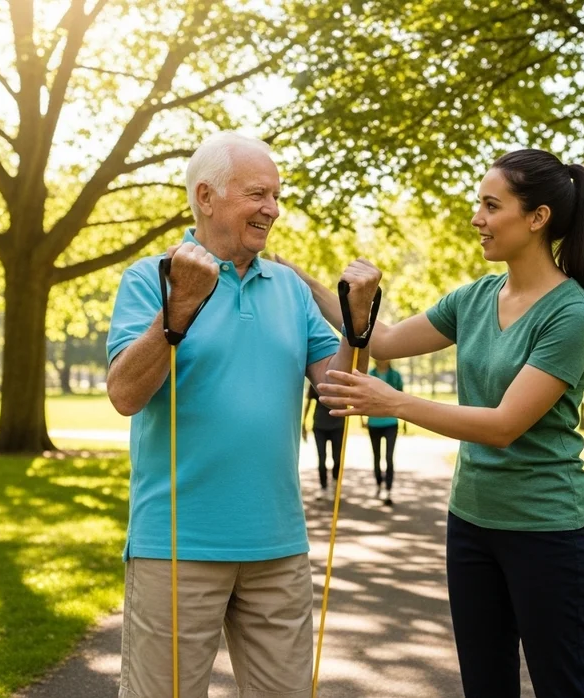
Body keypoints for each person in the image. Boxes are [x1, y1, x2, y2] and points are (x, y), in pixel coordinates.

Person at [281, 148, 584, 697]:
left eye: (490, 204)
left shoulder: (572, 313)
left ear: (537, 218)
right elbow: (380, 340)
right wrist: (297, 276)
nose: (476, 217)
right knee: (484, 685)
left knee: (562, 687)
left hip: (546, 532)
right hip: (471, 524)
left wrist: (395, 404)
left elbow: (504, 425)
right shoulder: (474, 298)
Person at [104, 132, 377, 698]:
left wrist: (357, 320)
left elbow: (341, 393)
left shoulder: (291, 290)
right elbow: (125, 394)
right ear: (206, 196)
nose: (272, 209)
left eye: (276, 196)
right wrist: (177, 308)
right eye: (258, 194)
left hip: (278, 547)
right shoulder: (148, 278)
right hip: (176, 546)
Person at [366, 359, 403, 505]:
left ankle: (388, 489)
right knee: (376, 456)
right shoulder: (371, 375)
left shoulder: (395, 375)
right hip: (374, 423)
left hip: (391, 423)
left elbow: (402, 397)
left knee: (388, 457)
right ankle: (378, 484)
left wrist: (404, 421)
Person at [303, 384, 344, 500]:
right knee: (322, 458)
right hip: (319, 426)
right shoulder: (316, 381)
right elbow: (309, 402)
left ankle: (335, 483)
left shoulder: (339, 378)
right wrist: (304, 424)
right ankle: (323, 487)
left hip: (337, 425)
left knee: (337, 458)